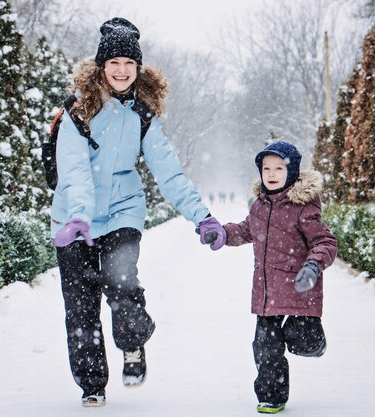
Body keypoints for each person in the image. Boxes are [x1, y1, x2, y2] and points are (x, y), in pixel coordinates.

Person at [50, 17, 226, 408]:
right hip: (72, 217)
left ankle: (132, 345)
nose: (122, 70)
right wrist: (78, 215)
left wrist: (202, 217)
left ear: (138, 67)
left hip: (122, 211)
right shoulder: (76, 115)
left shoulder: (143, 117)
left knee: (120, 281)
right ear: (101, 65)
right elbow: (75, 171)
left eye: (130, 62)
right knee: (79, 305)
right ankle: (92, 383)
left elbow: (170, 173)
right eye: (114, 61)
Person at [221, 141, 337, 414]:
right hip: (268, 291)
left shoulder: (303, 207)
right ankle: (271, 396)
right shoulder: (259, 206)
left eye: (279, 168)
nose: (271, 173)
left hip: (300, 287)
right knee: (265, 346)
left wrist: (312, 266)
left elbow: (325, 241)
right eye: (266, 168)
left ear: (292, 171)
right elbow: (245, 230)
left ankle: (316, 343)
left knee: (301, 339)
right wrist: (223, 234)